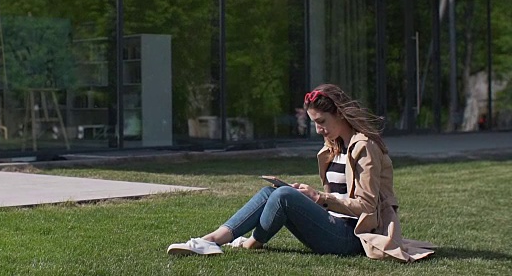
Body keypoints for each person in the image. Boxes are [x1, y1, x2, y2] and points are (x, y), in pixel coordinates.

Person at [167, 84, 435, 262]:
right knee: (270, 192)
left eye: (321, 122)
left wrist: (318, 198)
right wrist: (313, 197)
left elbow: (366, 206)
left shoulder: (364, 147)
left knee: (283, 195)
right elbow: (336, 195)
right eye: (314, 123)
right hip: (332, 224)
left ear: (340, 114)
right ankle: (210, 240)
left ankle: (246, 243)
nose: (318, 129)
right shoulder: (333, 147)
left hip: (352, 237)